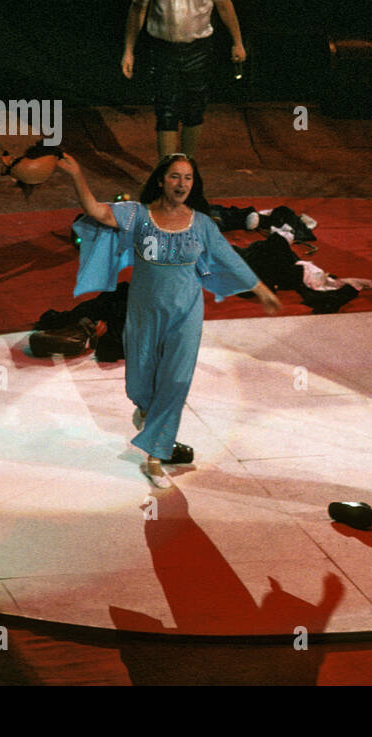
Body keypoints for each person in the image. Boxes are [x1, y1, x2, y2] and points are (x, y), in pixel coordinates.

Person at [59, 152, 281, 487]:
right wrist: (76, 173)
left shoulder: (203, 224)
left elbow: (228, 258)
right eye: (175, 176)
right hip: (145, 312)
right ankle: (146, 412)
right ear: (161, 180)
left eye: (188, 178)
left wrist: (261, 289)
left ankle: (154, 457)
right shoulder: (137, 216)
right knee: (140, 382)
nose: (182, 184)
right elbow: (95, 210)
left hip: (186, 314)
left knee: (175, 382)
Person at [121, 0, 247, 161]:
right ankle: (166, 170)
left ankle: (187, 168)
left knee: (194, 108)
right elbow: (139, 9)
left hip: (197, 49)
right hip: (162, 48)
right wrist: (128, 50)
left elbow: (224, 4)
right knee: (165, 109)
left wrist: (237, 42)